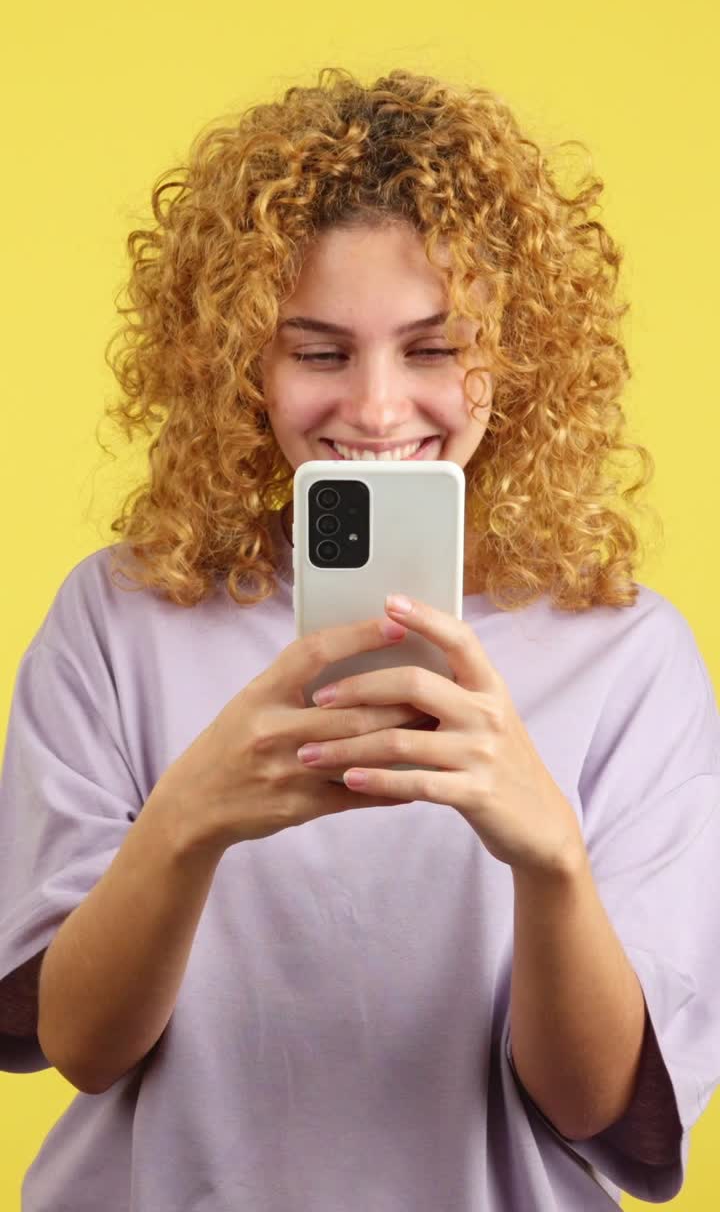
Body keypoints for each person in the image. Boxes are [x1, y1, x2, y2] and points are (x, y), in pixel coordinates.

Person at [0, 67, 718, 1212]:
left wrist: (550, 857)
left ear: (516, 355)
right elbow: (83, 1046)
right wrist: (189, 819)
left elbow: (591, 1102)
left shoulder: (629, 653)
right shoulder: (118, 615)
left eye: (434, 349)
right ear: (241, 365)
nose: (379, 411)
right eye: (320, 352)